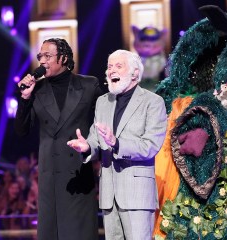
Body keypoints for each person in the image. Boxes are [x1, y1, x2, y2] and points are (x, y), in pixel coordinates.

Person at [67, 49, 167, 240]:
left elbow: (151, 145)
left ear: (135, 73)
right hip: (109, 194)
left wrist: (117, 143)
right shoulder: (103, 102)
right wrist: (87, 147)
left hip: (137, 194)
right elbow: (96, 138)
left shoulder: (153, 102)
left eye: (118, 66)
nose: (111, 70)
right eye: (109, 66)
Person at [14, 38, 103, 240]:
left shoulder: (88, 85)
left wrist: (93, 146)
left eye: (48, 56)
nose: (42, 61)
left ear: (63, 58)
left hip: (78, 173)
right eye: (40, 57)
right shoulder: (37, 90)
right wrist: (25, 99)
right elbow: (21, 130)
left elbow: (105, 121)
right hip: (49, 177)